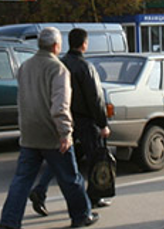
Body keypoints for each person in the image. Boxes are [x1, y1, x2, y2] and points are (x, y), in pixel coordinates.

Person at [0, 27, 98, 229]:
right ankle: (81, 215)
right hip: (51, 133)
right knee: (71, 177)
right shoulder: (58, 69)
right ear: (56, 46)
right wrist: (65, 132)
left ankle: (9, 221)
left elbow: (22, 101)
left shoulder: (25, 67)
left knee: (21, 180)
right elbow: (60, 105)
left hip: (29, 133)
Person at [28, 27, 113, 214]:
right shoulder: (85, 67)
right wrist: (103, 124)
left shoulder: (60, 63)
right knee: (93, 157)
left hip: (64, 117)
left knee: (60, 159)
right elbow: (95, 98)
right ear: (84, 43)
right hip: (85, 120)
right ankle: (93, 196)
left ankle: (40, 190)